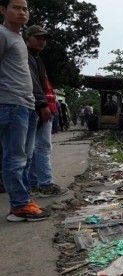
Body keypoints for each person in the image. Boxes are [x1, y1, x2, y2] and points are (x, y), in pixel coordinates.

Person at [0, 0, 50, 221]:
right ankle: (19, 205)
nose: (21, 12)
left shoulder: (17, 38)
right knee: (15, 158)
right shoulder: (2, 35)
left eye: (25, 9)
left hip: (25, 105)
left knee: (26, 157)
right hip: (11, 104)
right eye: (16, 8)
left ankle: (24, 201)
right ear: (2, 9)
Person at [25, 25, 67, 197]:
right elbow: (33, 84)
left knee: (35, 148)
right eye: (39, 37)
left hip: (42, 107)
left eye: (44, 38)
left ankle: (34, 182)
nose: (43, 41)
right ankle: (45, 184)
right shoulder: (27, 57)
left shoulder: (36, 58)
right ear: (28, 38)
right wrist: (42, 105)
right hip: (38, 108)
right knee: (41, 147)